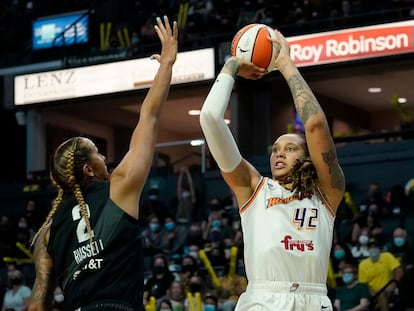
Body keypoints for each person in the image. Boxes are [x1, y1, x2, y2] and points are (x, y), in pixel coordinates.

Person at [27, 15, 178, 311]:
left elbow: (37, 304)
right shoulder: (118, 189)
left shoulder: (47, 231)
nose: (104, 158)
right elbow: (150, 118)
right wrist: (167, 65)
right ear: (87, 169)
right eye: (97, 152)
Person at [199, 29, 345, 310]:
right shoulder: (253, 187)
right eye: (275, 150)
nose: (278, 154)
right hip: (263, 299)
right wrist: (233, 65)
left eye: (289, 148)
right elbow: (209, 118)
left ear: (308, 157)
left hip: (314, 299)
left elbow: (314, 125)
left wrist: (285, 63)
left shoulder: (328, 191)